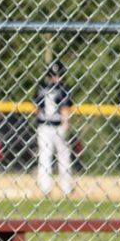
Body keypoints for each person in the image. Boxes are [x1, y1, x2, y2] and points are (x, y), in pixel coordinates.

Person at [34, 59, 74, 197]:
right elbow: (64, 109)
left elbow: (38, 109)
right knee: (63, 157)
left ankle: (45, 188)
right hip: (58, 125)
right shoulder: (63, 88)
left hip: (43, 125)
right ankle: (66, 188)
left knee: (45, 157)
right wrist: (66, 124)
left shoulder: (41, 88)